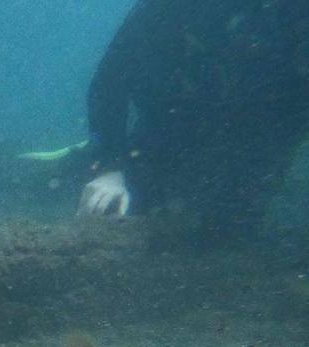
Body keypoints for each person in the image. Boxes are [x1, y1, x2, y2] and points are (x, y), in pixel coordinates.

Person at [77, 0, 309, 237]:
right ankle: (70, 162)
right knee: (118, 207)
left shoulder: (292, 11)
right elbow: (109, 84)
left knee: (236, 223)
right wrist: (109, 168)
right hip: (170, 133)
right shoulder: (163, 9)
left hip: (260, 140)